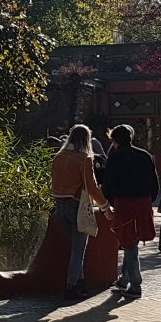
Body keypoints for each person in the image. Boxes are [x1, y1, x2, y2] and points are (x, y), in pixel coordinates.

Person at [50, 124, 110, 299]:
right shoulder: (84, 159)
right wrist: (105, 207)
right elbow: (92, 187)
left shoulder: (59, 157)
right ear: (86, 140)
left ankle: (80, 281)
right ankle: (71, 286)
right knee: (78, 249)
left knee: (76, 248)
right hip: (77, 207)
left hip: (59, 207)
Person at [102, 124, 159, 299]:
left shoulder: (115, 157)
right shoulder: (144, 155)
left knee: (129, 243)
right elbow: (154, 182)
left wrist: (110, 203)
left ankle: (135, 284)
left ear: (114, 140)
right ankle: (124, 280)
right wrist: (150, 200)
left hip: (124, 203)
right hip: (143, 201)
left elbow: (109, 182)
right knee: (131, 243)